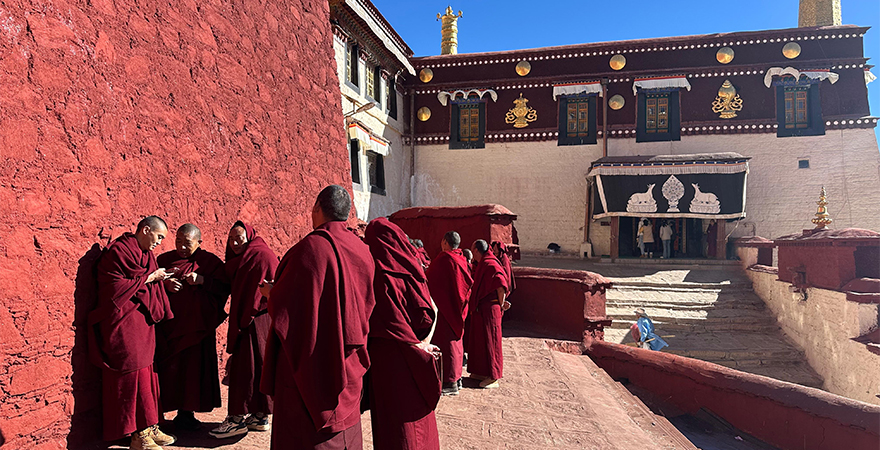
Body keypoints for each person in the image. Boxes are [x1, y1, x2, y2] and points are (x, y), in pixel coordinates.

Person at [259, 185, 375, 450]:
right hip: (348, 358)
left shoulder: (310, 248)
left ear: (316, 208)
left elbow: (289, 308)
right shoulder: (362, 249)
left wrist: (271, 294)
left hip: (313, 362)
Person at [88, 216, 177, 450]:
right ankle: (137, 435)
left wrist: (161, 282)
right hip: (121, 319)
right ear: (145, 230)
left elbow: (140, 281)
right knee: (131, 370)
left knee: (147, 371)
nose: (159, 243)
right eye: (159, 237)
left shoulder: (146, 254)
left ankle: (150, 426)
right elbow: (113, 288)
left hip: (141, 320)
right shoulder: (119, 251)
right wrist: (150, 277)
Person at [364, 217, 441, 449]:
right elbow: (431, 311)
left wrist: (412, 345)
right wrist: (422, 343)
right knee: (417, 417)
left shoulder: (378, 274)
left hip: (389, 360)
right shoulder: (412, 267)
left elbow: (388, 322)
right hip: (412, 353)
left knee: (396, 425)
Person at [155, 224, 229, 431]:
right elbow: (150, 284)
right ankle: (160, 413)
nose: (182, 247)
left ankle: (186, 413)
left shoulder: (209, 262)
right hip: (169, 327)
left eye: (187, 243)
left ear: (199, 242)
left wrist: (203, 280)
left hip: (198, 328)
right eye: (178, 241)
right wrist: (165, 285)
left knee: (192, 371)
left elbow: (224, 288)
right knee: (168, 370)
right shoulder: (164, 260)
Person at [211, 221, 277, 438]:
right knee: (256, 366)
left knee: (245, 369)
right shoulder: (239, 260)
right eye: (231, 238)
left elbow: (274, 283)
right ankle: (259, 415)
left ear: (250, 237)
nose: (235, 242)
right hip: (251, 320)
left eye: (240, 238)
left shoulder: (261, 255)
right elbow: (226, 281)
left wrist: (250, 312)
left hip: (256, 318)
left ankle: (236, 419)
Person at [427, 231, 474, 396]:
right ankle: (457, 378)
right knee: (456, 342)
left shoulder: (444, 259)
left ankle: (449, 381)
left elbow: (430, 280)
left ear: (445, 242)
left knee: (446, 344)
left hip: (445, 307)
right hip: (457, 307)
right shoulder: (461, 258)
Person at [467, 239, 510, 389]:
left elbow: (500, 284)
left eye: (473, 251)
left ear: (477, 251)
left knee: (491, 341)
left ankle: (493, 376)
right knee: (480, 340)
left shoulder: (490, 263)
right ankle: (481, 371)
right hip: (482, 308)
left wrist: (501, 303)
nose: (472, 254)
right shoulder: (483, 263)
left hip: (491, 309)